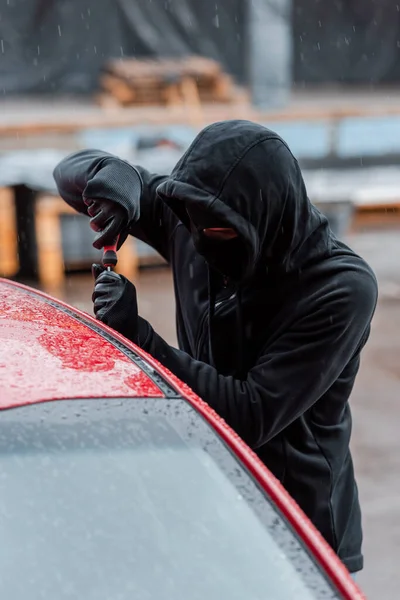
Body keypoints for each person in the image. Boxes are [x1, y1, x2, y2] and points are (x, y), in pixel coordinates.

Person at [53, 119, 378, 576]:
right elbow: (68, 173)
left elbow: (251, 414)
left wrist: (142, 339)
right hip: (217, 498)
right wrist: (113, 177)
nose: (200, 242)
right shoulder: (192, 217)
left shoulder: (339, 288)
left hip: (303, 528)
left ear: (264, 219)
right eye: (192, 226)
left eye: (221, 233)